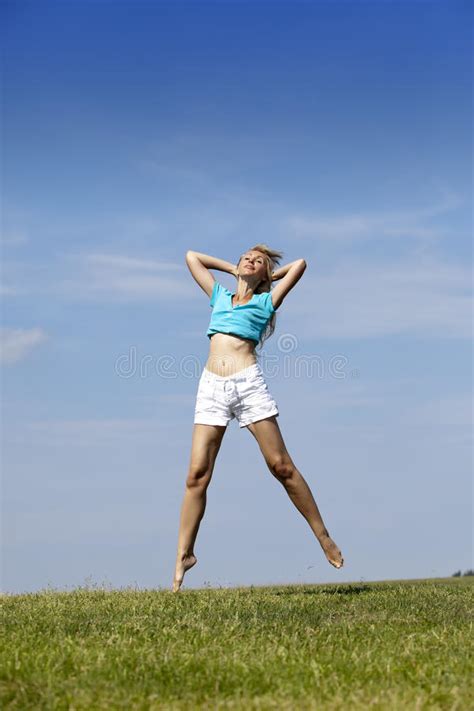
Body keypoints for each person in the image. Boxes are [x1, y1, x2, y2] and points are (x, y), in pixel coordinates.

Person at [172, 245, 344, 592]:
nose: (251, 260)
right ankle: (184, 556)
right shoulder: (218, 295)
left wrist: (270, 276)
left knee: (281, 466)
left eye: (259, 261)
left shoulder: (266, 302)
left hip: (248, 387)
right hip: (211, 388)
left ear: (266, 274)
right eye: (246, 257)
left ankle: (323, 535)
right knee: (196, 476)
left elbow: (300, 264)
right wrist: (235, 270)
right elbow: (192, 257)